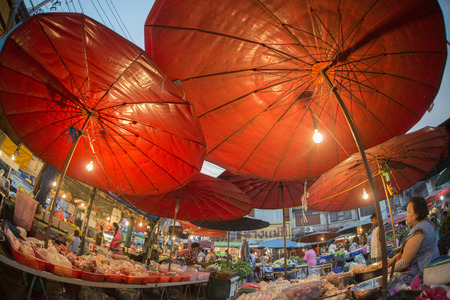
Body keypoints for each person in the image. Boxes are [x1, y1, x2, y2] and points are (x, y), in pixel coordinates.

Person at [388, 197, 439, 285]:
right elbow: (408, 252)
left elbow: (404, 263)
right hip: (429, 272)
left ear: (417, 213)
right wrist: (392, 259)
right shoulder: (426, 223)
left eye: (408, 211)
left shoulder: (419, 231)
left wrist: (386, 271)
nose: (406, 215)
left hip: (419, 277)